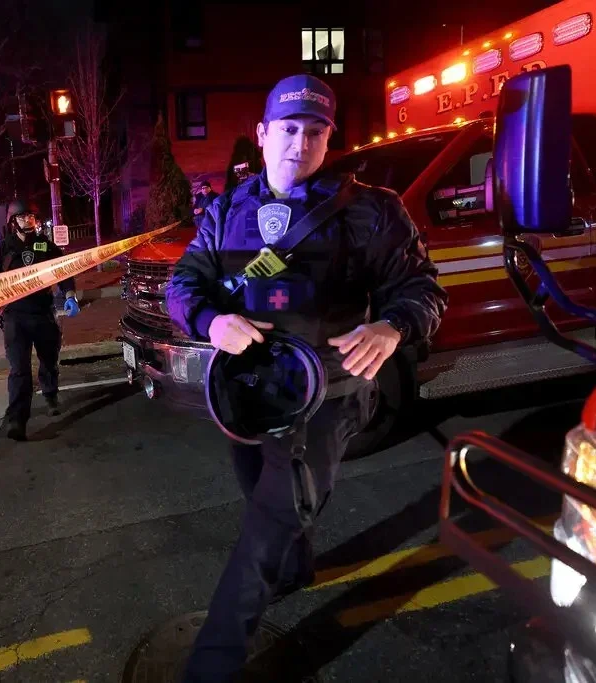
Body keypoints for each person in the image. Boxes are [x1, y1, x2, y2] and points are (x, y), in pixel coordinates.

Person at [164, 74, 448, 682]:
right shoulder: (225, 211)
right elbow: (183, 285)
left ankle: (211, 665)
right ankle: (298, 568)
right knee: (265, 502)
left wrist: (392, 326)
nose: (301, 143)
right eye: (289, 129)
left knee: (266, 528)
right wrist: (211, 321)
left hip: (329, 397)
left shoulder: (372, 210)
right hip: (247, 395)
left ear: (328, 138)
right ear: (263, 134)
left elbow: (423, 291)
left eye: (315, 132)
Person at [0, 199, 81, 441]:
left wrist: (70, 296)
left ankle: (50, 395)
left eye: (32, 216)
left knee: (49, 361)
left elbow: (63, 270)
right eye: (23, 217)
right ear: (13, 221)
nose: (29, 220)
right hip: (15, 318)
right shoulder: (3, 249)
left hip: (43, 313)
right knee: (19, 370)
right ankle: (17, 420)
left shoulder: (45, 245)